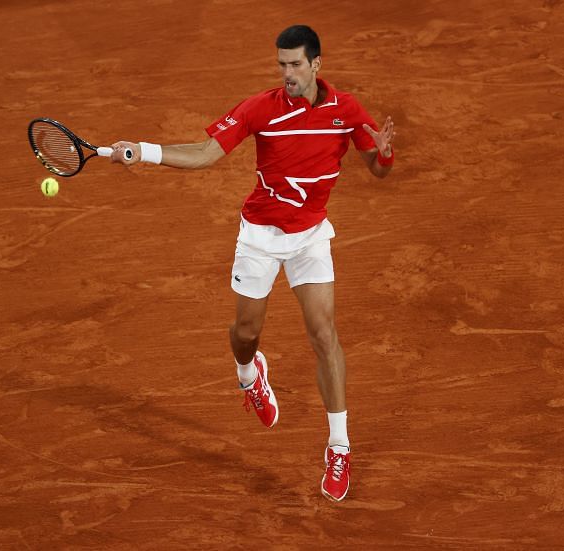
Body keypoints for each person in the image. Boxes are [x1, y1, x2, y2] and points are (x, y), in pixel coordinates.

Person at [110, 24, 395, 502]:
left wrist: (385, 155)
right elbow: (205, 155)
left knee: (324, 334)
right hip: (260, 237)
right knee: (245, 334)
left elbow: (378, 170)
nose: (286, 73)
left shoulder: (346, 111)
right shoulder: (259, 108)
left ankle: (339, 446)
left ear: (316, 65)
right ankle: (250, 375)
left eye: (295, 64)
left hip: (310, 238)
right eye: (281, 64)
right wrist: (144, 152)